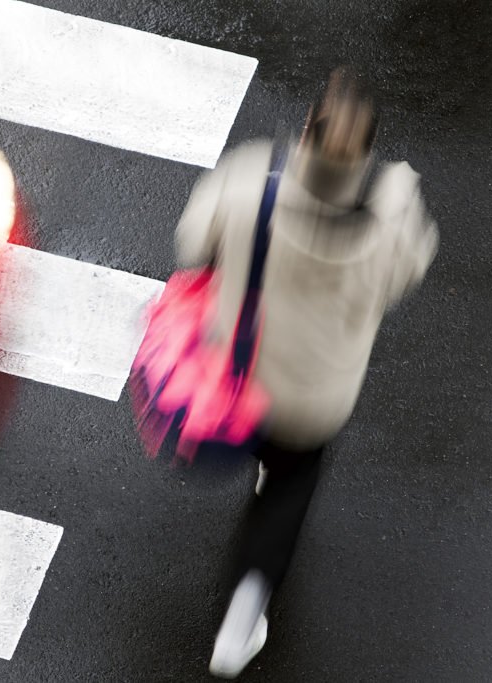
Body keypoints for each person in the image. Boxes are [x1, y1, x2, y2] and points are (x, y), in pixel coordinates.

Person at [173, 68, 439, 678]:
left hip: (238, 378)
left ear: (303, 135)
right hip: (316, 400)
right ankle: (244, 610)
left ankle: (260, 457)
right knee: (290, 489)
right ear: (366, 158)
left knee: (264, 442)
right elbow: (404, 278)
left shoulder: (250, 187)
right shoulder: (388, 224)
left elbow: (192, 241)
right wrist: (400, 198)